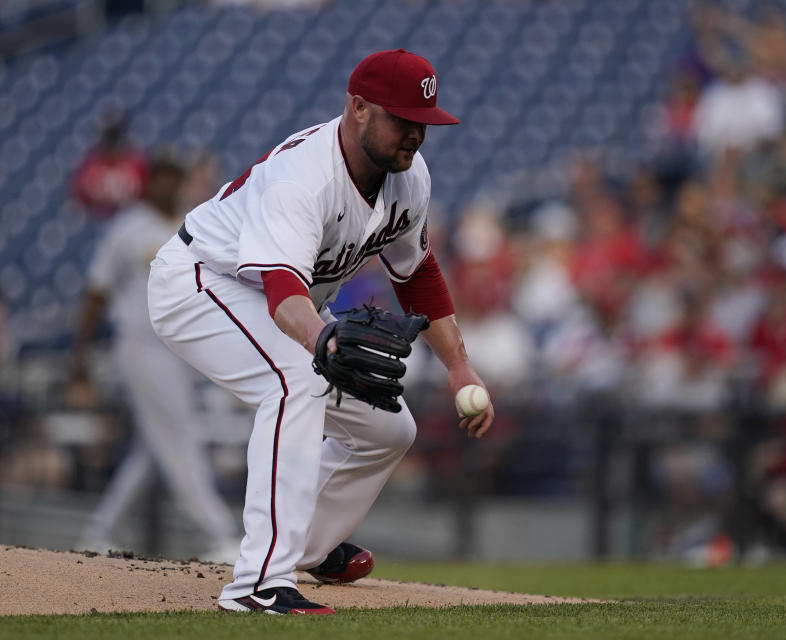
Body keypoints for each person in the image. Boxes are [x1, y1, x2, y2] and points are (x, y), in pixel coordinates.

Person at [147, 49, 494, 615]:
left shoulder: (410, 179)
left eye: (423, 123)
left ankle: (308, 545)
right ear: (358, 107)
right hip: (199, 280)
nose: (415, 135)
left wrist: (459, 366)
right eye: (403, 119)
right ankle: (258, 583)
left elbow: (417, 273)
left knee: (388, 429)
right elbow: (284, 287)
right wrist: (321, 341)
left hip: (282, 303)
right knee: (297, 380)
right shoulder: (303, 177)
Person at [69, 156, 241, 559]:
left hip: (182, 347)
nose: (167, 185)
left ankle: (97, 532)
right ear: (147, 184)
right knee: (180, 436)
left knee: (153, 448)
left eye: (173, 177)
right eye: (159, 178)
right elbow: (96, 294)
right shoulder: (127, 229)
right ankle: (216, 534)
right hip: (142, 345)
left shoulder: (189, 225)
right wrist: (81, 356)